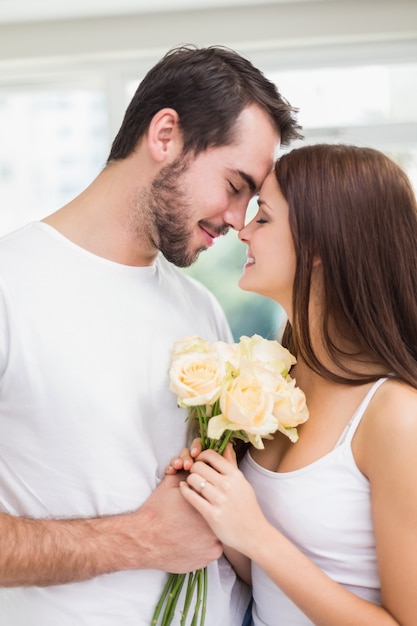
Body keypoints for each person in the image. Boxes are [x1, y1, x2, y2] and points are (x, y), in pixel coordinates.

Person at [0, 45, 301, 625]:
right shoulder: (11, 285)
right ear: (165, 135)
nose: (239, 220)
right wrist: (138, 539)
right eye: (235, 184)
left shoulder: (199, 306)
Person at [171, 144, 417, 625]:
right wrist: (214, 497)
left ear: (321, 245)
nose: (241, 231)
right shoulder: (279, 383)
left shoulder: (395, 416)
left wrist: (256, 531)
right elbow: (265, 580)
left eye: (262, 218)